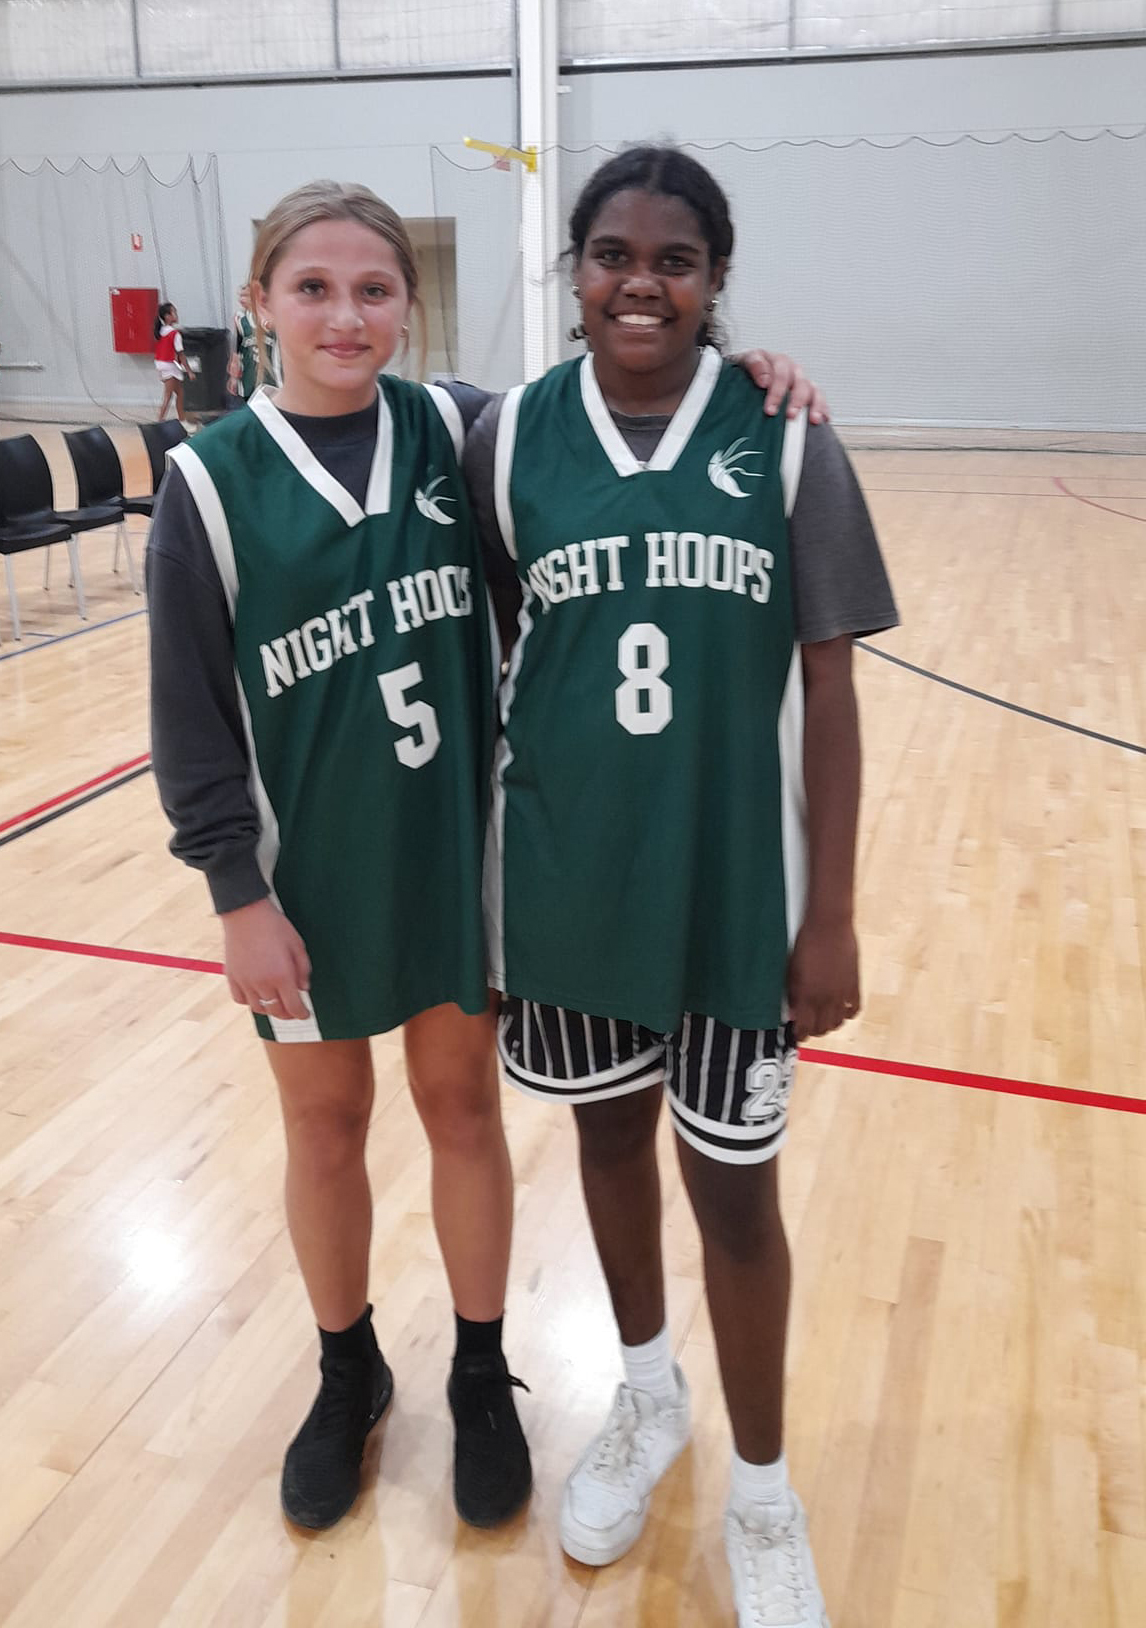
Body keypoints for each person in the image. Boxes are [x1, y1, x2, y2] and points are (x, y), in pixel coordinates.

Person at [147, 175, 825, 1539]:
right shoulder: (207, 488)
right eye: (313, 289)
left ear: (410, 305)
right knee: (325, 1127)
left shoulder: (462, 432)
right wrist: (235, 893)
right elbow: (189, 713)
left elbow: (613, 399)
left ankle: (476, 1369)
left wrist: (751, 361)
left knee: (464, 1118)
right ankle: (347, 1373)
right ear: (260, 303)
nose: (346, 315)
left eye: (374, 289)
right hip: (306, 878)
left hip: (459, 855)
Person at [464, 145, 898, 1626]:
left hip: (733, 888)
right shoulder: (511, 438)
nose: (638, 282)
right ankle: (648, 1402)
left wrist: (830, 912)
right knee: (605, 1149)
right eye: (611, 255)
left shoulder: (783, 439)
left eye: (675, 261)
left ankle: (764, 1493)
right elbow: (502, 654)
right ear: (573, 270)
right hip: (572, 878)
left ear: (718, 283)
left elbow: (830, 694)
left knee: (736, 1194)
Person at [153, 301, 194, 422]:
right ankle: (159, 421)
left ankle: (182, 419)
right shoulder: (175, 334)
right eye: (174, 312)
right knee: (168, 395)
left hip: (162, 364)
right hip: (169, 365)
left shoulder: (161, 331)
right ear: (167, 316)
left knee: (180, 393)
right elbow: (181, 354)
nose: (176, 315)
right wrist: (189, 371)